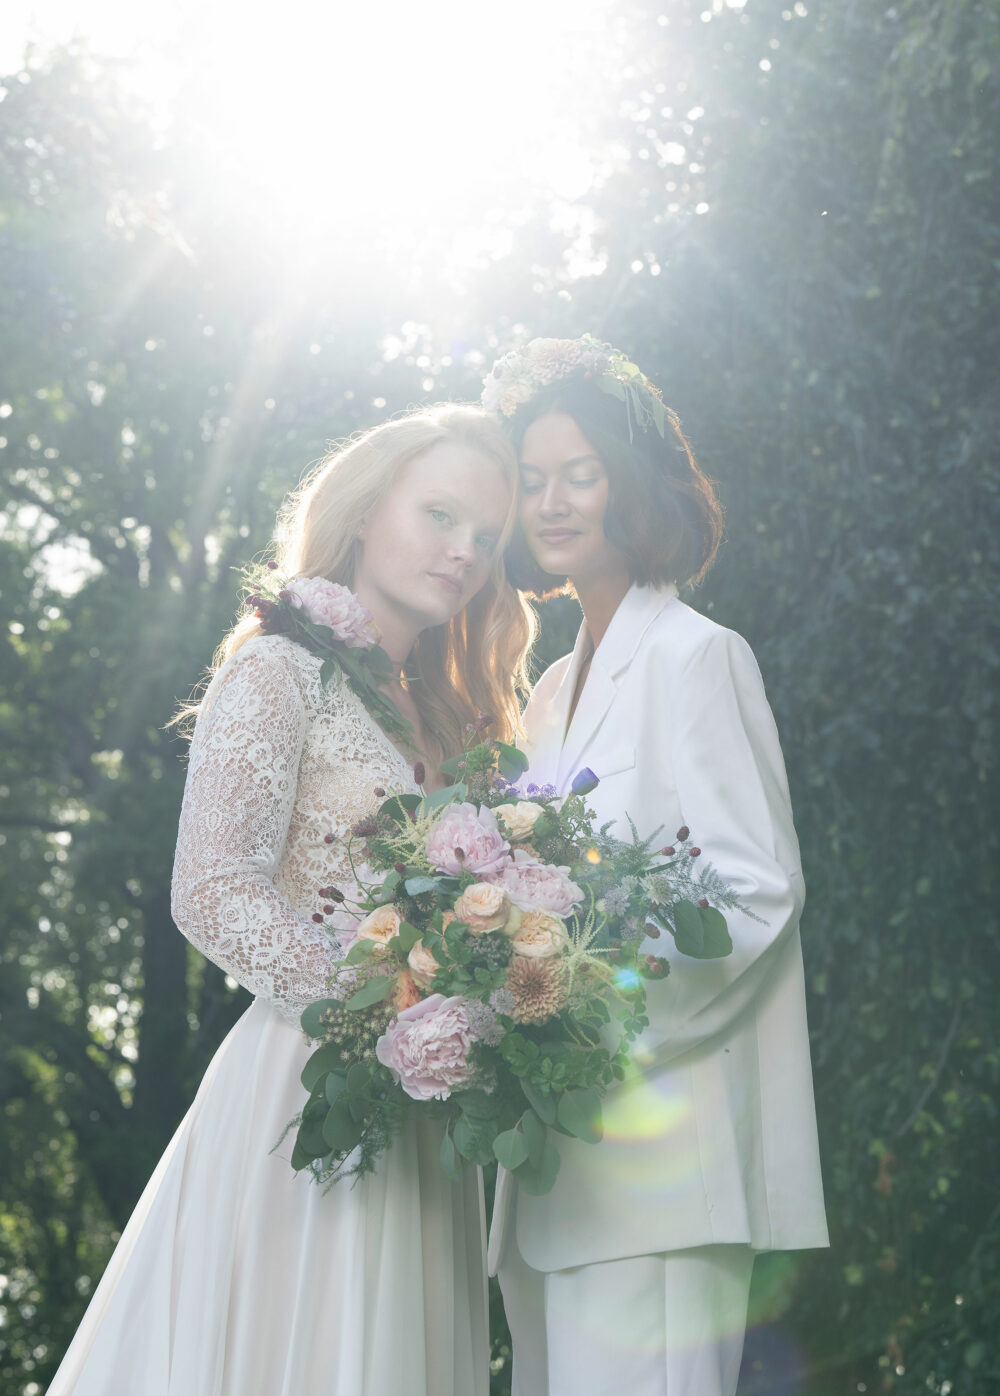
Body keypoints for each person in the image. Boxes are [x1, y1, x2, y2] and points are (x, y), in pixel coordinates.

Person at [47, 404, 535, 1396]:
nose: (463, 553)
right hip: (306, 1080)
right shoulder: (280, 668)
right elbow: (213, 888)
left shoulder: (436, 709)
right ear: (364, 509)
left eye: (484, 538)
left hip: (427, 1114)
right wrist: (379, 1015)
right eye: (440, 515)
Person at [482, 338, 829, 1396]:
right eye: (530, 479)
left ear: (631, 482)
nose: (550, 501)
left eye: (577, 474)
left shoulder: (697, 653)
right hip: (544, 1183)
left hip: (661, 1175)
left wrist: (587, 1015)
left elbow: (756, 888)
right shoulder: (544, 696)